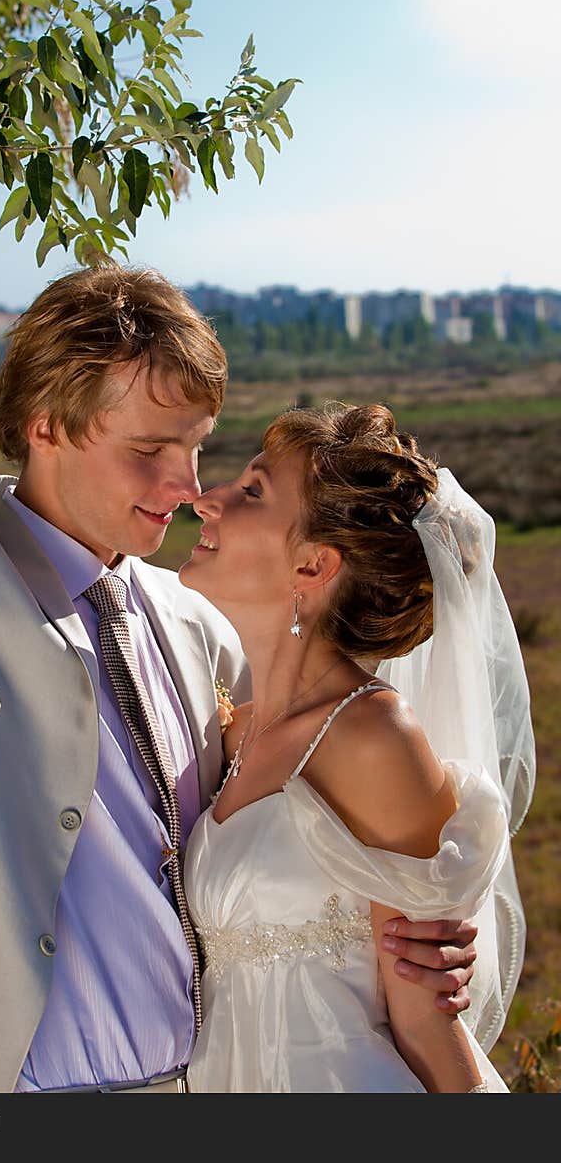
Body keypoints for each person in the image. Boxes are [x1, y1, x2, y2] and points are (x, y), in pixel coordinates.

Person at [0, 40, 479, 1093]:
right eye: (149, 450)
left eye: (200, 445)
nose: (186, 484)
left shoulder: (197, 624)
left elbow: (313, 813)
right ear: (42, 426)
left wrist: (421, 917)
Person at [179, 402, 535, 1092]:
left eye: (252, 491)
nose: (207, 501)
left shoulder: (373, 737)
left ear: (314, 565)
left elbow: (425, 1020)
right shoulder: (233, 731)